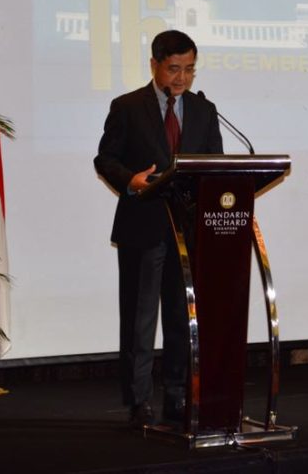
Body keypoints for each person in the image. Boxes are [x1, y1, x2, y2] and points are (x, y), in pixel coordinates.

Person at [94, 29, 223, 428]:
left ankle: (178, 395)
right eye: (174, 68)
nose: (181, 78)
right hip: (143, 226)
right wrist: (130, 181)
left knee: (182, 317)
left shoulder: (204, 110)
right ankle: (139, 400)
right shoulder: (127, 107)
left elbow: (215, 163)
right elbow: (105, 159)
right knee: (140, 317)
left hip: (188, 230)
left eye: (189, 69)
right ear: (154, 65)